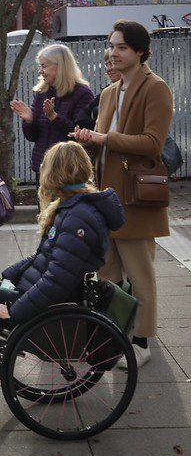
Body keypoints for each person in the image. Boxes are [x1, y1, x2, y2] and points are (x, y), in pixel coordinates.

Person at [0, 141, 125, 407]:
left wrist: (14, 311)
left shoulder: (77, 217)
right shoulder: (75, 208)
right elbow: (44, 259)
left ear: (55, 172)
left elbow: (57, 280)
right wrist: (9, 275)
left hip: (37, 301)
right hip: (28, 291)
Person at [72, 20, 174, 368]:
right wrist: (87, 141)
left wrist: (104, 139)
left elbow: (153, 144)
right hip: (106, 198)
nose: (113, 53)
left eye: (121, 47)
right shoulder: (109, 92)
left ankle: (142, 341)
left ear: (140, 51)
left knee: (139, 274)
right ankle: (117, 333)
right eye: (111, 46)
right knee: (107, 272)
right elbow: (103, 146)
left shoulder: (155, 88)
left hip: (136, 198)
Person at [11, 43, 95, 179]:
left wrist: (54, 117)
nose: (40, 71)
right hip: (44, 167)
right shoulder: (43, 92)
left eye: (44, 66)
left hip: (68, 170)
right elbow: (32, 137)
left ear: (61, 66)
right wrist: (30, 120)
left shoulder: (82, 94)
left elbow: (82, 134)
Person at [76, 49, 120, 131]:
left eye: (112, 63)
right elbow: (80, 118)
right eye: (107, 64)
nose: (109, 69)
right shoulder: (107, 91)